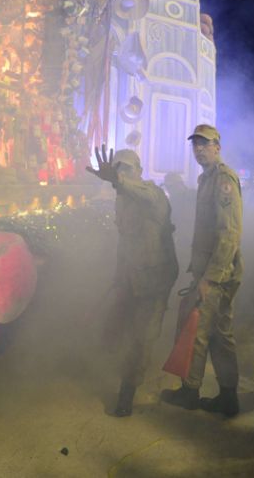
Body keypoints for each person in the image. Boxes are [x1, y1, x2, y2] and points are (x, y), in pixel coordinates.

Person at [86, 146, 179, 417]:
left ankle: (128, 391)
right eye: (117, 168)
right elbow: (125, 240)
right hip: (131, 274)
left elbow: (142, 193)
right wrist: (118, 274)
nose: (121, 173)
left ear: (139, 171)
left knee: (143, 337)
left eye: (127, 168)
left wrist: (117, 180)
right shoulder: (122, 199)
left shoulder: (153, 194)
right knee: (120, 326)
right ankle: (125, 367)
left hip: (155, 278)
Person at [161, 124, 244, 417]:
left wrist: (209, 277)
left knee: (197, 331)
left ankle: (190, 391)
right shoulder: (206, 179)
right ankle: (228, 397)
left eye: (204, 144)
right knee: (220, 335)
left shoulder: (223, 178)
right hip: (213, 272)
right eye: (195, 144)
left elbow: (229, 233)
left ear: (217, 147)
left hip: (216, 274)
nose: (198, 149)